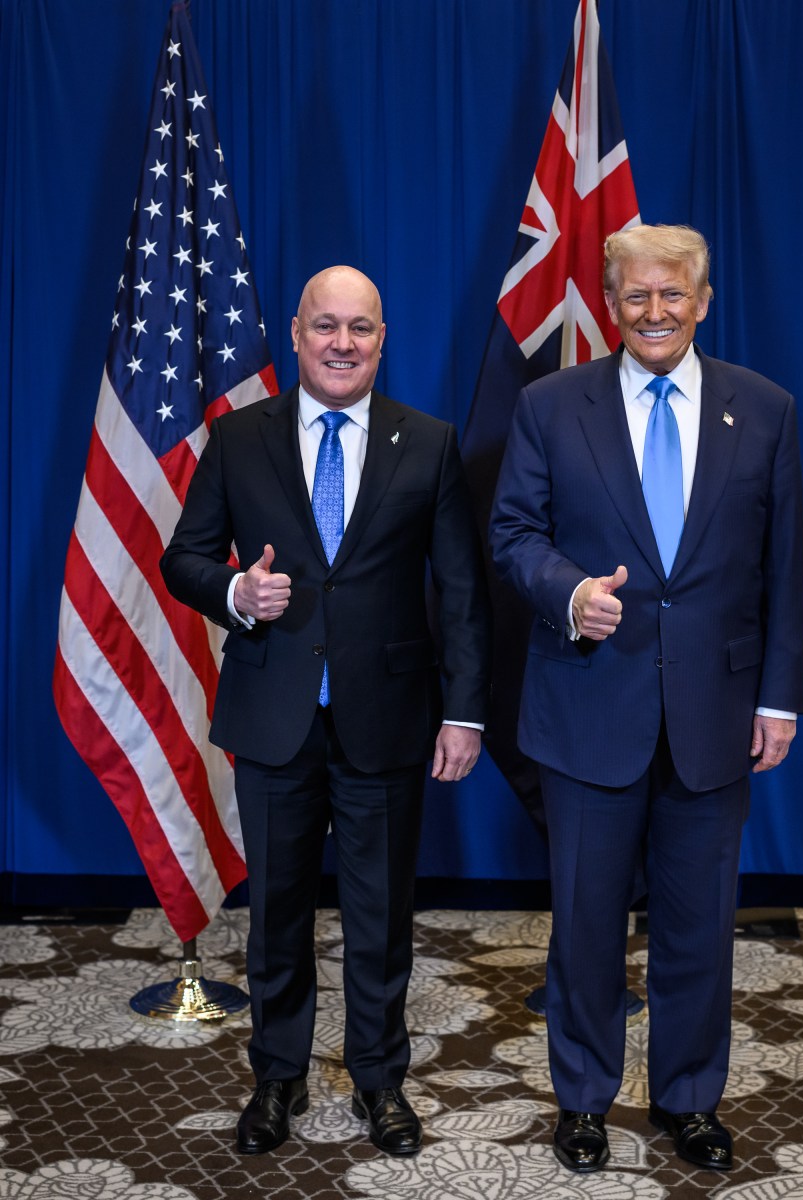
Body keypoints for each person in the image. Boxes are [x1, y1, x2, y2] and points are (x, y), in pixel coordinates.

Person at [489, 225, 803, 1174]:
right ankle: (582, 1101)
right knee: (584, 926)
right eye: (636, 297)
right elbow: (512, 532)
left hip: (715, 715)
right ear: (610, 303)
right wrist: (568, 592)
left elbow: (784, 570)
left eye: (673, 296)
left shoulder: (767, 408)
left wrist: (779, 699)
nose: (655, 312)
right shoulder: (552, 406)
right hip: (589, 707)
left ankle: (689, 1100)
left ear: (703, 302)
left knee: (699, 928)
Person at [160, 266, 491, 1158]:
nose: (342, 344)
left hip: (387, 720)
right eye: (325, 327)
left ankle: (381, 1082)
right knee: (276, 915)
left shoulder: (428, 443)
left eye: (361, 329)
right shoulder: (238, 439)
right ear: (298, 335)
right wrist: (237, 589)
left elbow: (459, 591)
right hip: (274, 718)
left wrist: (465, 714)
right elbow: (181, 558)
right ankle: (278, 1078)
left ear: (383, 340)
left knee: (382, 918)